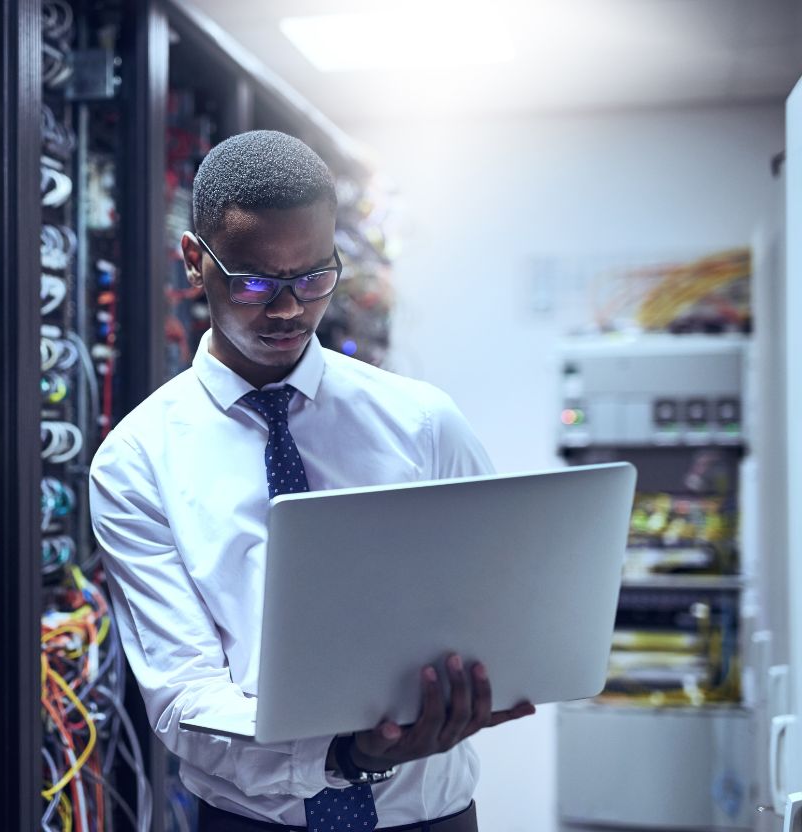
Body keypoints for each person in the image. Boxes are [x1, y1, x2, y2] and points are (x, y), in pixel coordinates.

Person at [89, 130, 535, 832]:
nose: (289, 308)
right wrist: (342, 755)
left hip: (431, 818)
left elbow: (501, 602)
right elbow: (182, 697)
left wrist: (480, 680)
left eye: (313, 278)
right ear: (192, 262)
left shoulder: (422, 422)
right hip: (251, 823)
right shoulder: (138, 460)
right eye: (255, 281)